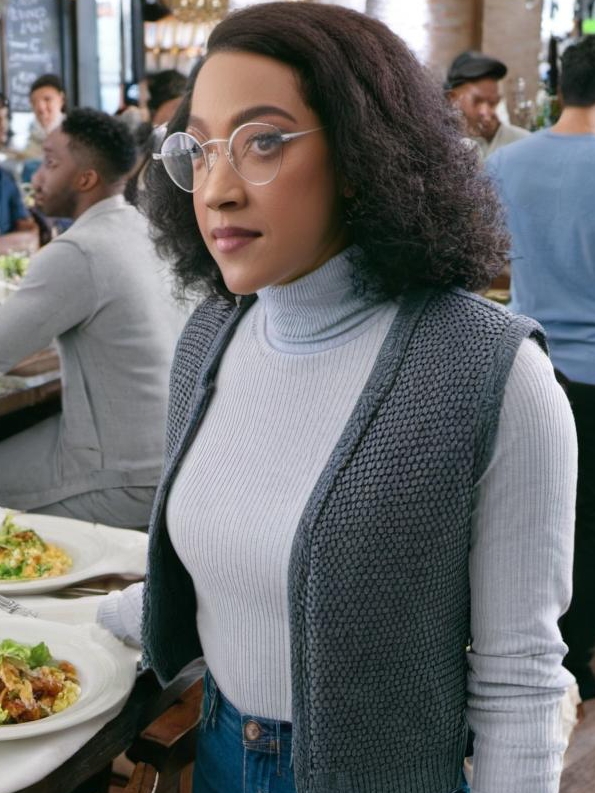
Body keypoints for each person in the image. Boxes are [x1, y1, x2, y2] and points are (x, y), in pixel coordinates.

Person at [98, 4, 577, 792]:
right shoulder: (210, 339)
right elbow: (242, 566)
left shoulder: (489, 373)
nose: (215, 190)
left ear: (362, 153)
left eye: (261, 142)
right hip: (214, 751)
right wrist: (71, 615)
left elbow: (520, 680)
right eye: (201, 148)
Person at [0, 108, 186, 528]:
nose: (38, 176)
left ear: (85, 179)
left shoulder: (78, 250)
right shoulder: (144, 226)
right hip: (177, 456)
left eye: (50, 163)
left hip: (125, 477)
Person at [486, 34, 595, 703]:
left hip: (529, 365)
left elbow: (488, 254)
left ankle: (555, 662)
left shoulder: (507, 160)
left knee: (544, 523)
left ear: (558, 88)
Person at [445, 51, 530, 158]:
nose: (487, 112)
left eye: (493, 103)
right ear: (452, 98)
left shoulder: (522, 143)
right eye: (477, 101)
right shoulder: (439, 148)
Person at [19, 74, 66, 164]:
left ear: (61, 99)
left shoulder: (73, 133)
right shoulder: (32, 135)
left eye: (47, 99)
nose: (40, 107)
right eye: (34, 102)